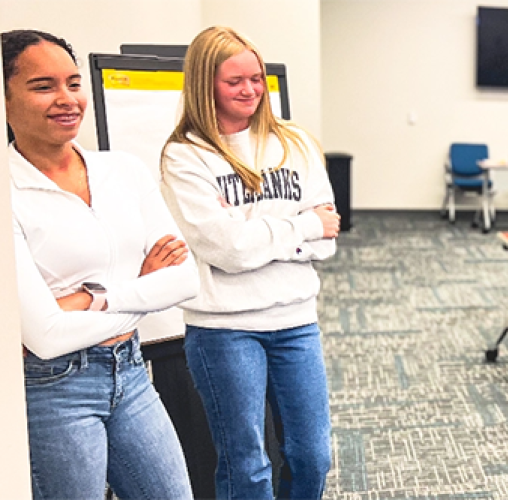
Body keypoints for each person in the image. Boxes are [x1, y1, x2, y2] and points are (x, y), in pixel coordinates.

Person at [3, 29, 198, 499]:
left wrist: (87, 300)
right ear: (2, 99)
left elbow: (186, 279)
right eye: (43, 86)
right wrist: (144, 288)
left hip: (129, 370)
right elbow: (46, 337)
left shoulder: (123, 170)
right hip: (53, 390)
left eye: (73, 83)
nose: (67, 99)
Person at [159, 26, 339, 499]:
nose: (250, 90)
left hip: (296, 320)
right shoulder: (185, 156)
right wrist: (299, 228)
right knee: (247, 464)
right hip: (224, 329)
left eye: (256, 78)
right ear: (204, 84)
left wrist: (262, 236)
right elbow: (229, 250)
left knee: (312, 455)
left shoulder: (295, 143)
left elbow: (329, 237)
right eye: (233, 81)